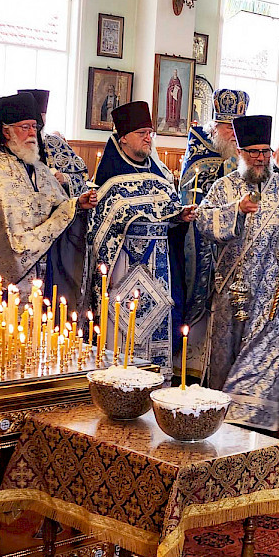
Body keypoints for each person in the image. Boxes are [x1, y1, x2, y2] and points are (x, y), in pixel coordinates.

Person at [196, 114, 279, 431]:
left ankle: (255, 419)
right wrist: (236, 212)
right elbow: (204, 222)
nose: (260, 158)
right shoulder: (224, 187)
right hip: (236, 285)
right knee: (229, 351)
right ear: (240, 152)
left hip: (274, 287)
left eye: (265, 152)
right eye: (253, 152)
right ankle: (221, 414)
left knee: (264, 353)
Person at [87, 101, 198, 378]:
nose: (149, 138)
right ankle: (117, 384)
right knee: (121, 326)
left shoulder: (159, 175)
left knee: (156, 323)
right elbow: (98, 231)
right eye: (142, 133)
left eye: (151, 132)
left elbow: (169, 211)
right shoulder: (109, 178)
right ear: (123, 137)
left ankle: (156, 382)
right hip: (122, 268)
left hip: (159, 267)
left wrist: (179, 217)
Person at [0, 92, 97, 300]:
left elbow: (57, 206)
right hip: (5, 285)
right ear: (6, 131)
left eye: (34, 127)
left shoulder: (39, 169)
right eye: (25, 127)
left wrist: (77, 204)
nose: (31, 134)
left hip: (43, 276)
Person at [18, 89, 88, 197]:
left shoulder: (55, 142)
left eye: (42, 115)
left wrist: (65, 178)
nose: (38, 121)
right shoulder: (11, 145)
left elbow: (82, 177)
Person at [179, 89, 248, 197]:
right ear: (215, 128)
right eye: (231, 128)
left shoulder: (247, 147)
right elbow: (190, 187)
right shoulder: (200, 145)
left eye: (239, 129)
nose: (236, 134)